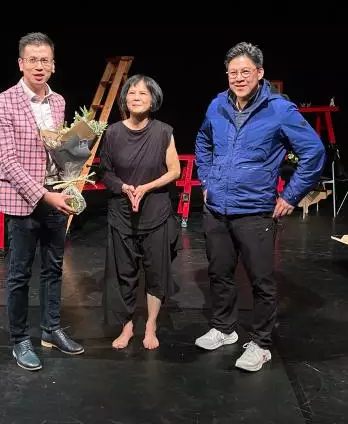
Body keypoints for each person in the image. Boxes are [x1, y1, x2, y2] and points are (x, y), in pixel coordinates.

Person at [194, 42, 325, 372]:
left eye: (245, 72)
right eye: (233, 72)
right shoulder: (217, 105)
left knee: (261, 281)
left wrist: (291, 195)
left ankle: (261, 343)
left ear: (260, 73)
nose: (238, 78)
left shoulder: (279, 110)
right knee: (219, 274)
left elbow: (314, 152)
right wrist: (206, 180)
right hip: (217, 209)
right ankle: (224, 328)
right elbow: (203, 142)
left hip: (255, 211)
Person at [0, 32, 84, 371]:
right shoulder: (2, 103)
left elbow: (58, 151)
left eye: (45, 60)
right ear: (21, 64)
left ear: (53, 65)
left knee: (54, 268)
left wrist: (73, 170)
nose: (39, 66)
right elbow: (8, 162)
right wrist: (45, 195)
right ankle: (19, 339)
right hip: (24, 200)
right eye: (32, 60)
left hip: (56, 196)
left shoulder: (58, 102)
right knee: (19, 274)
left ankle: (51, 329)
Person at [98, 74, 181, 350]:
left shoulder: (164, 132)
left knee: (156, 272)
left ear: (153, 100)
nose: (136, 97)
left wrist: (146, 187)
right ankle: (127, 326)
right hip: (122, 212)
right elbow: (105, 172)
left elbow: (175, 171)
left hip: (155, 211)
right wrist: (123, 187)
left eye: (143, 93)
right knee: (124, 273)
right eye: (132, 93)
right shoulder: (112, 133)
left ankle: (151, 325)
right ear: (125, 98)